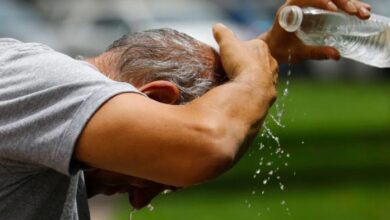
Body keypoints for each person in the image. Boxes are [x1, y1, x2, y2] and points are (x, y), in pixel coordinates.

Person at [0, 0, 371, 219]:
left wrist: (265, 52)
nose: (140, 201)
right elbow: (205, 145)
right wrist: (252, 78)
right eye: (158, 177)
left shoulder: (48, 118)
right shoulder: (36, 79)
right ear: (158, 100)